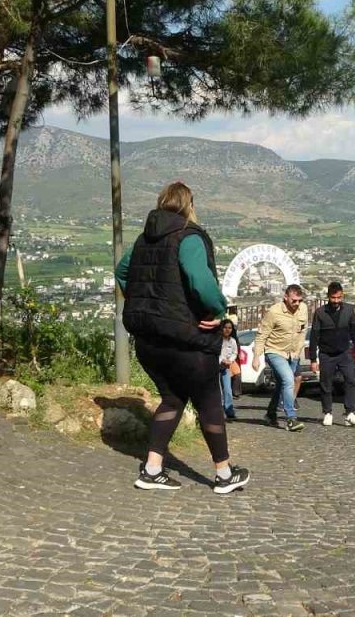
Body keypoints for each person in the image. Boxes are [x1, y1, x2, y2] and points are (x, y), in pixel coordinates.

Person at [115, 182, 250, 494]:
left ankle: (151, 470)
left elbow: (122, 273)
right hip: (187, 340)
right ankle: (224, 474)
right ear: (189, 204)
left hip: (149, 341)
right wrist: (217, 310)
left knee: (172, 399)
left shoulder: (143, 240)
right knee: (210, 403)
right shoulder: (188, 237)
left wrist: (146, 301)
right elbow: (200, 281)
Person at [307, 281, 355, 427]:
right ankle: (327, 412)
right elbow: (314, 336)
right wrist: (313, 359)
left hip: (345, 352)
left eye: (339, 297)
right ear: (328, 297)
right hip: (326, 354)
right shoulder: (320, 313)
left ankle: (350, 412)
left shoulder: (349, 310)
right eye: (333, 298)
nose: (336, 301)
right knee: (326, 384)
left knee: (351, 380)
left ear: (342, 296)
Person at [253, 284, 308, 432]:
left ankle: (270, 414)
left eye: (299, 300)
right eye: (294, 300)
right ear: (286, 298)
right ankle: (291, 418)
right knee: (289, 379)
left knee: (282, 384)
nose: (297, 304)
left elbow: (303, 331)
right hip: (274, 351)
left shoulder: (303, 309)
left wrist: (298, 349)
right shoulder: (274, 312)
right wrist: (256, 356)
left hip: (293, 353)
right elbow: (261, 334)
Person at [217, 319, 240, 420]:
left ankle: (229, 411)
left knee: (228, 390)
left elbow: (235, 352)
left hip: (226, 368)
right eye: (225, 327)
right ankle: (218, 411)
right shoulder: (217, 339)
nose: (227, 330)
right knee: (218, 391)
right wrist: (222, 360)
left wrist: (230, 360)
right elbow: (215, 352)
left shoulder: (233, 341)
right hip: (215, 366)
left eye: (229, 328)